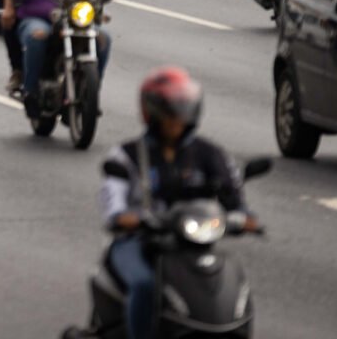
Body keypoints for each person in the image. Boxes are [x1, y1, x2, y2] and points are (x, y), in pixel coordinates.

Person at [100, 67, 260, 339]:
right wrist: (127, 218)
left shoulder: (210, 154)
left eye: (183, 110)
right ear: (154, 113)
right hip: (138, 243)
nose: (178, 119)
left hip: (190, 243)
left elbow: (234, 198)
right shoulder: (126, 155)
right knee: (144, 285)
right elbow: (114, 207)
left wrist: (243, 218)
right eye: (171, 112)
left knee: (232, 281)